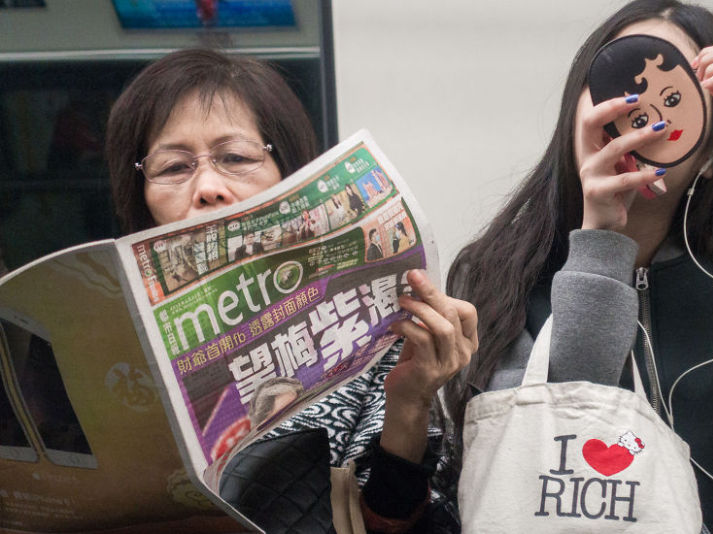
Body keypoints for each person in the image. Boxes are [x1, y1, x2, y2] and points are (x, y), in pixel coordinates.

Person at [445, 0, 713, 533]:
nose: (640, 116)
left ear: (708, 155)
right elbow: (567, 442)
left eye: (673, 98)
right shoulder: (499, 274)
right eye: (618, 89)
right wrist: (601, 240)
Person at [105, 48, 477, 533]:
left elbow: (398, 524)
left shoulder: (374, 339)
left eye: (235, 157)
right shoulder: (99, 337)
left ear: (295, 178)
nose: (207, 187)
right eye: (174, 167)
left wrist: (408, 405)